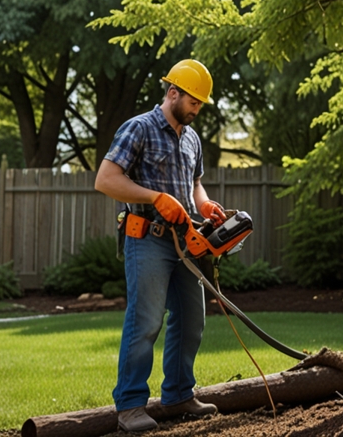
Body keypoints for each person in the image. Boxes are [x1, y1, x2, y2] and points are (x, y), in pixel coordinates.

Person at [94, 59, 228, 433]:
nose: (196, 109)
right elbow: (105, 180)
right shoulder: (138, 128)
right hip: (147, 238)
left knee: (192, 320)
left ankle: (179, 395)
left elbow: (195, 183)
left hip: (185, 241)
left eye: (200, 104)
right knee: (147, 320)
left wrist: (202, 203)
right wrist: (155, 197)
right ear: (173, 93)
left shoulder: (191, 137)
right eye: (193, 102)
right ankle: (131, 406)